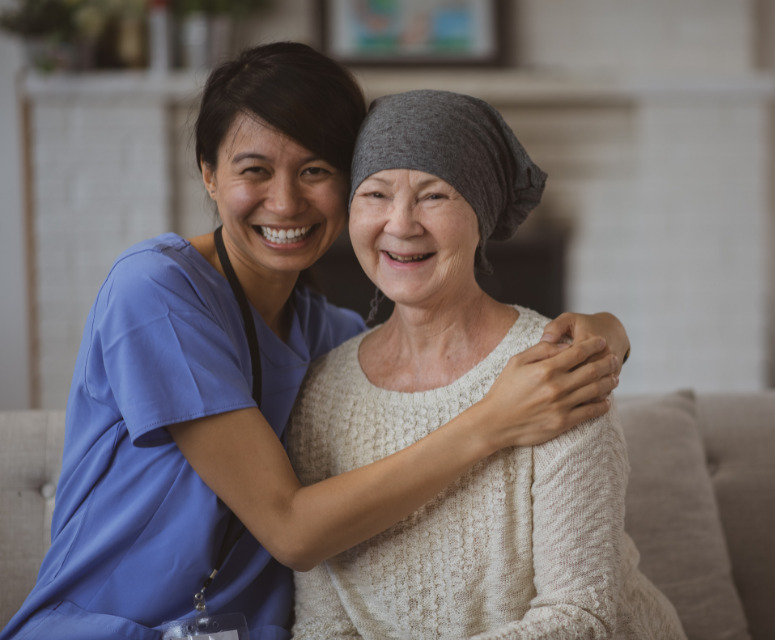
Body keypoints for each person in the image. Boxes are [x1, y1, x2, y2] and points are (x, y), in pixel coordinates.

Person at [0, 44, 632, 640]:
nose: (286, 201)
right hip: (107, 625)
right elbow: (292, 530)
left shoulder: (332, 341)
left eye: (315, 170)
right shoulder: (156, 291)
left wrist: (606, 333)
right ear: (209, 175)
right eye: (255, 170)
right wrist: (492, 422)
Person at [288, 90, 685, 639]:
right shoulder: (321, 394)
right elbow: (322, 625)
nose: (400, 224)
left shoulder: (552, 372)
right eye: (375, 194)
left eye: (434, 196)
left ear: (481, 215)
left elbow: (581, 618)